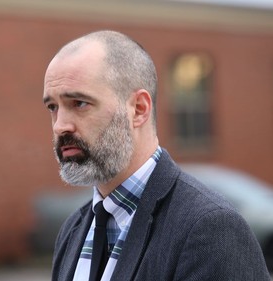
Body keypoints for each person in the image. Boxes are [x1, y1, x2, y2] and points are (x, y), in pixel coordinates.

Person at [42, 30, 270, 281]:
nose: (60, 125)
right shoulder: (74, 229)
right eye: (53, 107)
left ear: (139, 109)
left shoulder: (210, 228)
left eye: (79, 103)